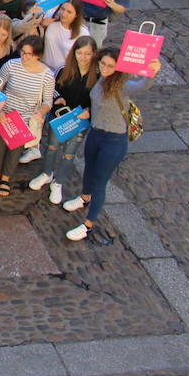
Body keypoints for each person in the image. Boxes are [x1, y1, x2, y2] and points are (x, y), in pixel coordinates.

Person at [64, 47, 158, 242]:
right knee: (89, 169)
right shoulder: (100, 78)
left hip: (113, 141)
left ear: (118, 68)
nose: (104, 68)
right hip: (95, 134)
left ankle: (88, 225)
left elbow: (142, 85)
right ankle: (85, 197)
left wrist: (152, 72)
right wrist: (90, 111)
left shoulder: (122, 85)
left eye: (110, 66)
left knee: (100, 181)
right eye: (102, 63)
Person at [30, 34, 96, 205]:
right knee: (52, 147)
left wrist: (90, 110)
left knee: (69, 154)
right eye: (80, 53)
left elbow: (98, 100)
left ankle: (58, 182)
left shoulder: (97, 75)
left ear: (94, 54)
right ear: (74, 53)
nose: (83, 57)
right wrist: (58, 98)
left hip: (80, 121)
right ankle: (46, 173)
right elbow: (52, 88)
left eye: (87, 54)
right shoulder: (63, 69)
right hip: (60, 117)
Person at [0, 35, 54, 197]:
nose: (24, 57)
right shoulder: (11, 65)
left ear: (38, 55)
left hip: (24, 119)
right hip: (4, 113)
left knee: (14, 152)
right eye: (23, 52)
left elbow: (47, 101)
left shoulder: (47, 75)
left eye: (29, 54)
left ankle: (5, 178)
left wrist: (41, 112)